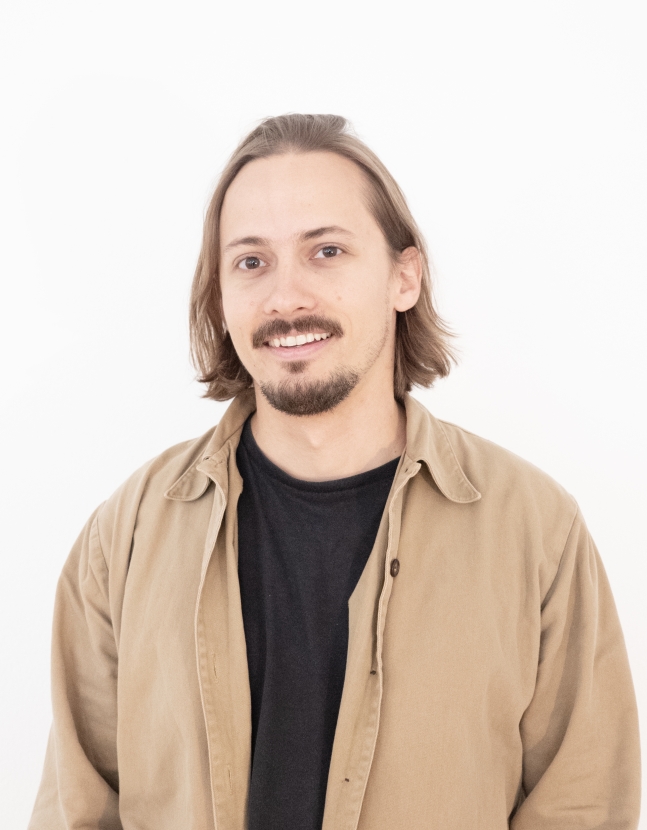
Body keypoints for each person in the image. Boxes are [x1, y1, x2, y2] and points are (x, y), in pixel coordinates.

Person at [29, 114, 640, 830]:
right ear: (219, 296)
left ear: (403, 277)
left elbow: (582, 805)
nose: (286, 296)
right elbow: (79, 807)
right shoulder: (127, 535)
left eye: (326, 251)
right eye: (251, 261)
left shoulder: (533, 529)